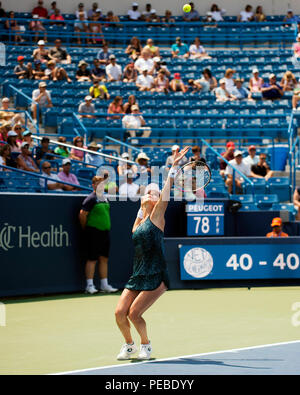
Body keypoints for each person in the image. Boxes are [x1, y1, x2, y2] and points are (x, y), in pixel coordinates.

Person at [114, 147, 190, 361]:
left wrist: (173, 168)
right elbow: (133, 232)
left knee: (134, 313)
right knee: (119, 313)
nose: (150, 194)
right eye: (147, 192)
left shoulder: (158, 217)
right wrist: (141, 208)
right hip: (138, 274)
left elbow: (165, 191)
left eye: (153, 193)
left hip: (156, 274)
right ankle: (129, 345)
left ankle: (145, 346)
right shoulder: (139, 221)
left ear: (158, 200)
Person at [79, 175, 118, 294]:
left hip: (105, 232)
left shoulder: (104, 198)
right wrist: (87, 228)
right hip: (93, 232)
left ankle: (104, 285)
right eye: (97, 183)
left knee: (104, 259)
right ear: (93, 185)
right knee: (92, 259)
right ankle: (89, 286)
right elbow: (82, 214)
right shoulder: (91, 198)